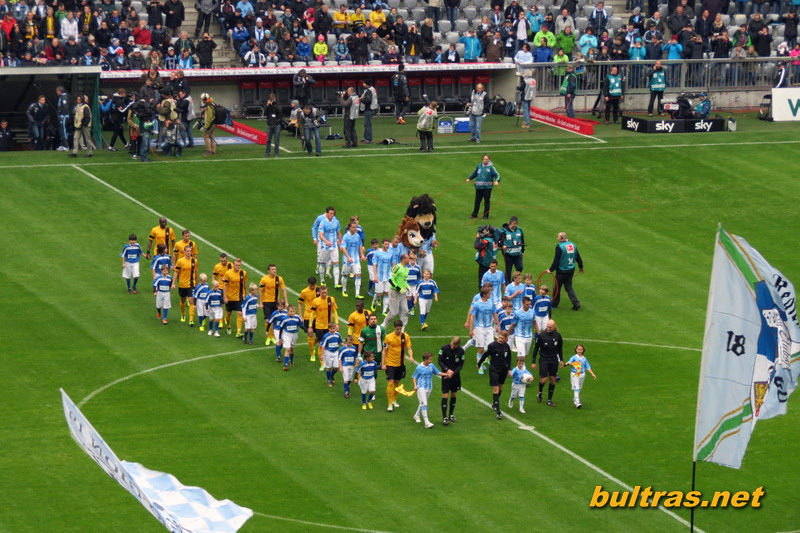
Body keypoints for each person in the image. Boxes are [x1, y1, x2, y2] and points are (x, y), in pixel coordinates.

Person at [477, 330, 512, 419]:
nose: (500, 339)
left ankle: (494, 403)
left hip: (503, 370)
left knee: (500, 387)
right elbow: (485, 355)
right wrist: (479, 363)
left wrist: (509, 369)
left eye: (502, 338)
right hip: (494, 369)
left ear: (505, 339)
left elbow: (508, 358)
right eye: (499, 337)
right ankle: (498, 412)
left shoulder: (507, 346)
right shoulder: (492, 346)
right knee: (496, 388)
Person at [382, 319, 414, 412]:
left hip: (400, 363)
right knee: (390, 382)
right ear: (394, 328)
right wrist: (383, 363)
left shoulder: (405, 336)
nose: (399, 331)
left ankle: (394, 400)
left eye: (400, 329)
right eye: (397, 329)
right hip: (390, 363)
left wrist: (411, 356)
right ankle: (389, 404)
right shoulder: (388, 337)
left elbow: (409, 348)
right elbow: (384, 351)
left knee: (396, 383)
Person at [546, 232, 583, 310]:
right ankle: (576, 303)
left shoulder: (560, 246)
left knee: (557, 287)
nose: (557, 238)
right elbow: (578, 257)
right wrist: (581, 267)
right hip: (571, 270)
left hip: (562, 271)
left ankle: (555, 303)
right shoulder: (573, 245)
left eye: (558, 237)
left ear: (562, 238)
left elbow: (556, 259)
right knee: (569, 287)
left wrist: (551, 269)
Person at [412, 352, 449, 428]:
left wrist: (446, 374)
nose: (431, 361)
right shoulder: (419, 367)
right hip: (421, 387)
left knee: (423, 403)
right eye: (430, 359)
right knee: (424, 404)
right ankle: (426, 422)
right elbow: (414, 377)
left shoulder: (431, 366)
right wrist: (415, 386)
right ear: (425, 359)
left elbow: (437, 372)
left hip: (429, 387)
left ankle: (416, 415)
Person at [532, 319, 563, 406]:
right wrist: (533, 361)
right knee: (544, 379)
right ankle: (540, 391)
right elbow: (536, 349)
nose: (548, 329)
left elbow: (560, 348)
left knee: (552, 379)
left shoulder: (558, 336)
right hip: (544, 359)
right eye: (547, 327)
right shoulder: (542, 336)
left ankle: (549, 399)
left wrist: (561, 360)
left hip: (553, 360)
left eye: (550, 327)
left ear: (554, 327)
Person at [470, 286, 500, 375]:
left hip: (489, 328)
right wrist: (471, 330)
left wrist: (497, 325)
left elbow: (494, 313)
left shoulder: (491, 302)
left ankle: (485, 361)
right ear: (484, 294)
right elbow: (472, 316)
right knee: (481, 348)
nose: (490, 294)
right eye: (489, 293)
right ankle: (480, 366)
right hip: (480, 328)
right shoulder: (477, 304)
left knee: (491, 347)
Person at [308, 285, 339, 371]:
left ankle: (328, 358)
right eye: (322, 293)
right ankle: (322, 363)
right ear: (319, 292)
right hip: (319, 325)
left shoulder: (331, 299)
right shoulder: (315, 301)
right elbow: (312, 314)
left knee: (328, 343)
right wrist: (310, 326)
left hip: (329, 326)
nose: (324, 294)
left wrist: (336, 323)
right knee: (321, 344)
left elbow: (334, 311)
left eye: (325, 292)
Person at [259, 263, 288, 346]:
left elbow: (283, 290)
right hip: (267, 302)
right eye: (272, 269)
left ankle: (272, 336)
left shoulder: (279, 279)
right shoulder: (264, 279)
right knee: (268, 320)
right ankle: (268, 337)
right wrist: (260, 302)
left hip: (276, 302)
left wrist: (286, 302)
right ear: (268, 271)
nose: (274, 271)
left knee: (275, 320)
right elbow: (261, 291)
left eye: (275, 269)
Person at [466, 154, 500, 220]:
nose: (485, 160)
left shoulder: (491, 168)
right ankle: (474, 214)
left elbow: (497, 175)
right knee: (477, 201)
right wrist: (469, 178)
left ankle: (485, 216)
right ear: (482, 159)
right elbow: (475, 173)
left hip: (487, 188)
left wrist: (497, 181)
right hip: (479, 187)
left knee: (486, 201)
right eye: (484, 159)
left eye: (487, 159)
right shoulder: (479, 166)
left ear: (489, 160)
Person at [382, 253, 410, 330]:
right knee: (394, 312)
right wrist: (398, 288)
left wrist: (407, 286)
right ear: (403, 259)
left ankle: (402, 328)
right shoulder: (397, 267)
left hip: (403, 293)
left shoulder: (407, 269)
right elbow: (390, 279)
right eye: (408, 258)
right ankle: (384, 324)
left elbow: (404, 281)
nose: (409, 260)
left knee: (405, 311)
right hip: (394, 292)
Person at [222, 257, 248, 337]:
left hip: (239, 297)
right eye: (236, 265)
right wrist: (225, 296)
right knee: (228, 313)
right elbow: (225, 285)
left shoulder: (243, 273)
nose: (238, 267)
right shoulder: (228, 273)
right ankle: (229, 326)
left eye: (239, 265)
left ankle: (238, 331)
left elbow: (244, 284)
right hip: (230, 297)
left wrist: (245, 294)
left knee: (239, 313)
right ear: (233, 265)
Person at [317, 206, 342, 288]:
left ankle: (336, 283)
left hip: (334, 246)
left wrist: (341, 244)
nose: (332, 215)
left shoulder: (336, 222)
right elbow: (320, 235)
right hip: (325, 246)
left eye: (333, 213)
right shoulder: (323, 223)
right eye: (331, 213)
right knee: (323, 263)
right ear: (327, 213)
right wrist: (327, 242)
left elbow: (338, 233)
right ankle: (322, 280)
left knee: (336, 263)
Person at [173, 244, 198, 325]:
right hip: (182, 284)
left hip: (191, 284)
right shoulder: (180, 261)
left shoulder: (194, 261)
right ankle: (183, 314)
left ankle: (191, 320)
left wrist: (196, 283)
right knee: (182, 300)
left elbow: (196, 272)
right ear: (184, 252)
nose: (189, 252)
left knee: (191, 300)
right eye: (187, 251)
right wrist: (173, 283)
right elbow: (176, 272)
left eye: (190, 251)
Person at [567, 344, 596, 408]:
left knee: (579, 387)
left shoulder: (584, 359)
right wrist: (568, 363)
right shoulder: (574, 357)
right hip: (575, 374)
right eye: (578, 349)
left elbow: (587, 367)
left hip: (582, 374)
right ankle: (577, 402)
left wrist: (592, 374)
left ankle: (575, 399)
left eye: (581, 350)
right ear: (576, 350)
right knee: (576, 387)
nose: (579, 351)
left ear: (583, 350)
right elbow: (569, 362)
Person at [340, 221, 365, 298]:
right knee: (345, 275)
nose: (355, 229)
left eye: (355, 227)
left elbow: (360, 246)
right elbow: (342, 248)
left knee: (358, 275)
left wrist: (362, 255)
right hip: (347, 260)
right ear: (349, 227)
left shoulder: (357, 236)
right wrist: (348, 257)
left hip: (356, 259)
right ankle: (344, 290)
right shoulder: (345, 237)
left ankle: (357, 294)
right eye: (353, 227)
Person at [298, 276, 320, 362]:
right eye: (311, 285)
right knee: (310, 333)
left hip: (318, 316)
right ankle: (312, 354)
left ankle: (312, 345)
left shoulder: (318, 290)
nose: (312, 287)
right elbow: (300, 303)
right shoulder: (304, 292)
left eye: (313, 285)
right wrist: (300, 315)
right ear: (308, 284)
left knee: (319, 336)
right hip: (308, 316)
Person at [500, 216, 525, 282]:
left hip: (518, 254)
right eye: (514, 223)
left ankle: (514, 281)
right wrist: (502, 246)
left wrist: (523, 251)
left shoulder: (519, 230)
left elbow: (522, 240)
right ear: (510, 223)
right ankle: (508, 285)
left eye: (516, 223)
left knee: (520, 267)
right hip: (508, 255)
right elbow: (499, 241)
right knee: (508, 270)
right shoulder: (504, 231)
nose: (515, 225)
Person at [279, 305, 304, 370]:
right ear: (287, 312)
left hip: (294, 334)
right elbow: (281, 328)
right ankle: (285, 365)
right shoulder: (284, 319)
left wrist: (307, 330)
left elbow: (301, 325)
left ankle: (291, 361)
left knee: (292, 349)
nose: (292, 313)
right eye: (291, 311)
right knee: (288, 349)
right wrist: (279, 338)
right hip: (286, 334)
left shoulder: (297, 317)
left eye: (293, 311)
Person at [359, 79, 378, 144]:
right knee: (367, 124)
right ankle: (366, 138)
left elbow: (368, 100)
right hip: (371, 108)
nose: (363, 84)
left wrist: (361, 99)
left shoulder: (369, 91)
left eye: (364, 83)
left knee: (367, 125)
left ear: (367, 83)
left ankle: (368, 139)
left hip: (369, 109)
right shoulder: (372, 89)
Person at [263, 92, 282, 157]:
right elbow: (265, 113)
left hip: (277, 124)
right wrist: (267, 106)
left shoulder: (278, 104)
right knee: (268, 139)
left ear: (274, 98)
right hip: (269, 124)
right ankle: (267, 152)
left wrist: (273, 105)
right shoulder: (268, 105)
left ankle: (276, 153)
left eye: (272, 99)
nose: (271, 100)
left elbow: (279, 111)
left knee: (276, 139)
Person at [55, 86, 70, 151]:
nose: (56, 92)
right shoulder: (61, 97)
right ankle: (62, 144)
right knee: (61, 131)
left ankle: (66, 145)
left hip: (63, 116)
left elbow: (65, 107)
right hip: (61, 116)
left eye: (57, 91)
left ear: (59, 91)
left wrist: (63, 115)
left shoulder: (64, 97)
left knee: (63, 130)